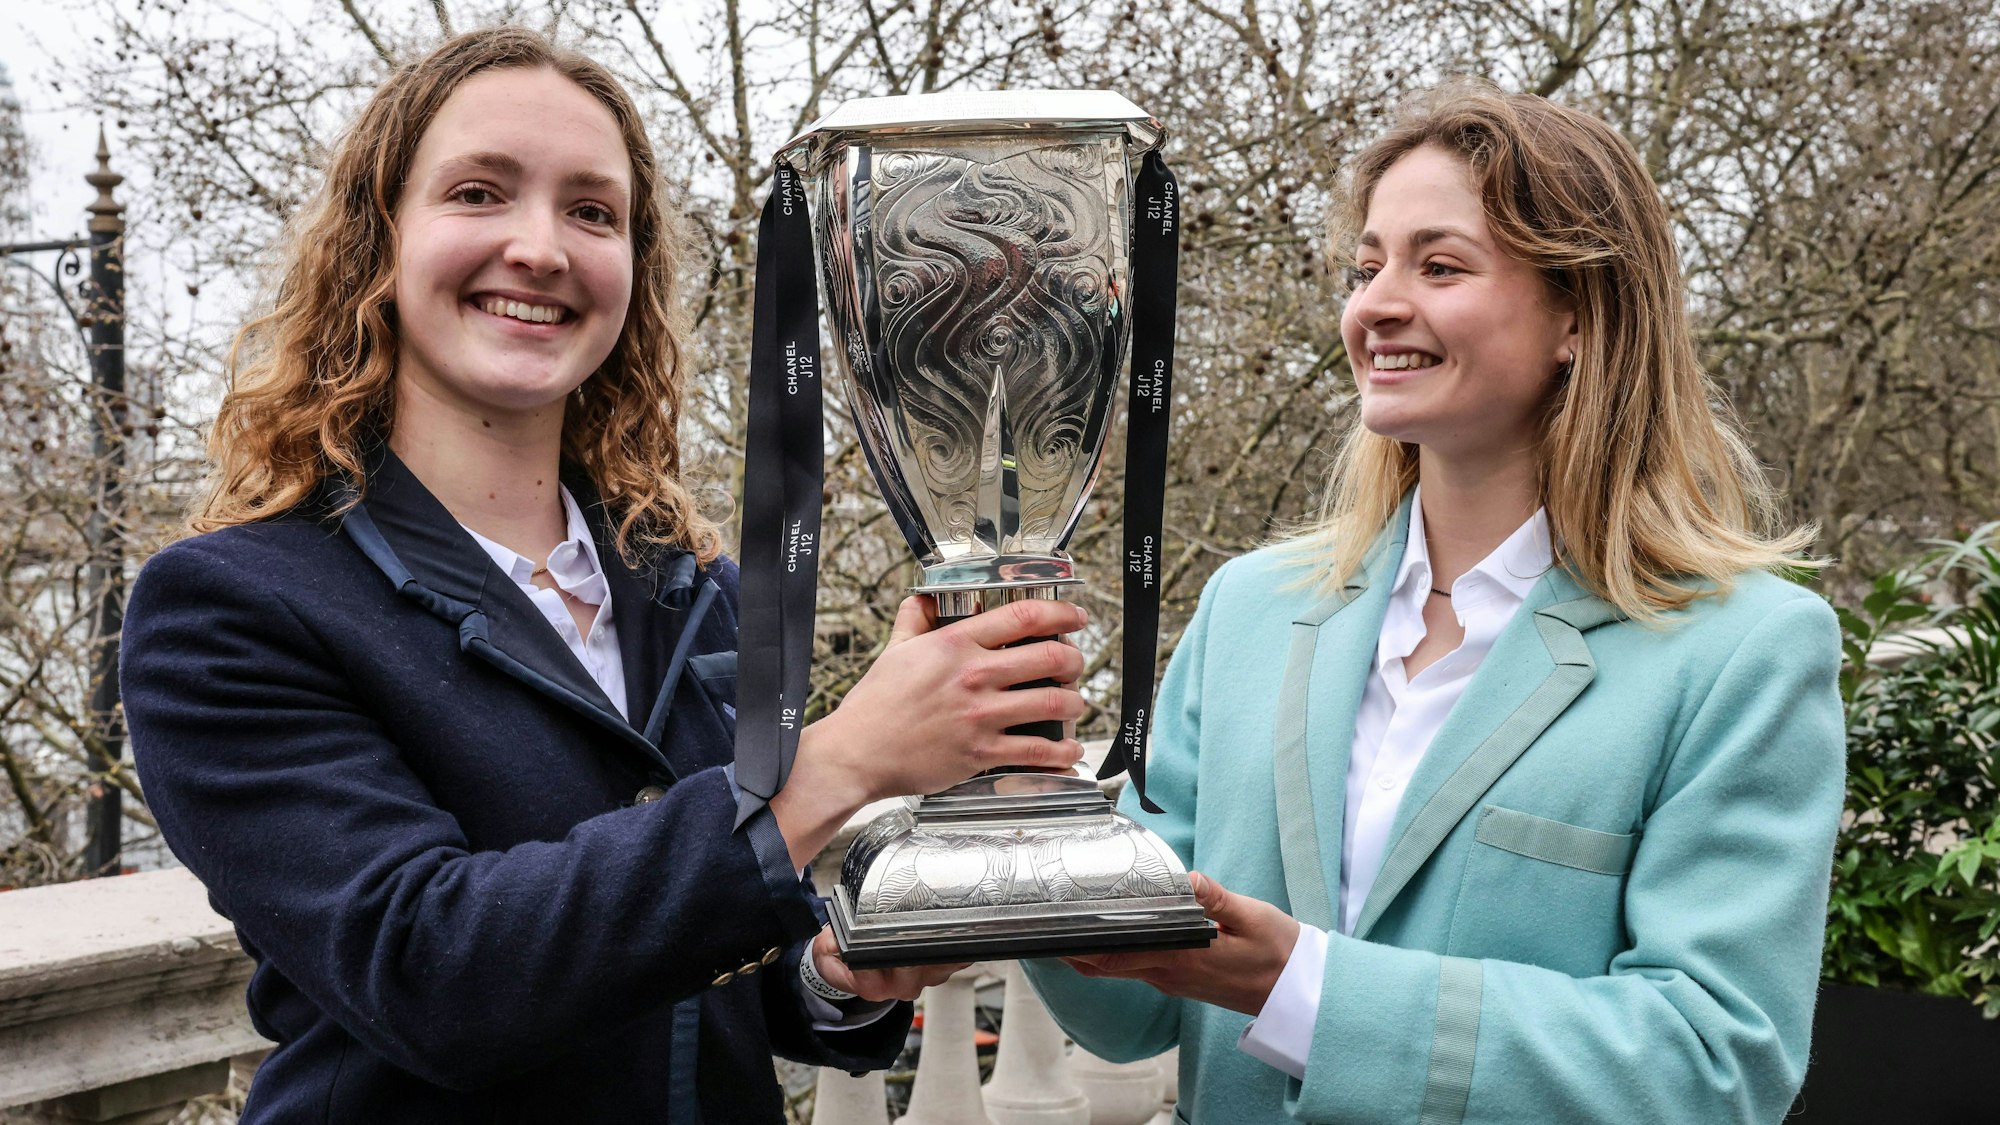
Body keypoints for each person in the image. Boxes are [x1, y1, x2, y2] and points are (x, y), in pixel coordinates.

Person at [120, 27, 1089, 1123]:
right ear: (375, 245)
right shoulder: (230, 606)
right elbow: (430, 973)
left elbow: (702, 961)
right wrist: (839, 765)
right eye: (480, 193)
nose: (540, 248)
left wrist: (832, 976)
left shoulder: (690, 587)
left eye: (590, 211)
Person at [1025, 82, 1846, 1124]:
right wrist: (1016, 801)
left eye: (1438, 265)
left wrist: (1305, 989)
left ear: (1578, 319)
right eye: (1365, 268)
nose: (1373, 304)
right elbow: (1131, 1019)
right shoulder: (1250, 608)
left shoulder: (1743, 652)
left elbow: (1711, 1063)